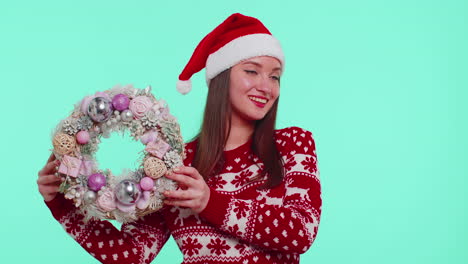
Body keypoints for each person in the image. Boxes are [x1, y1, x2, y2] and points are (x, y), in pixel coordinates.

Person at [37, 13, 321, 264]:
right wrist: (59, 203)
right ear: (222, 77)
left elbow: (301, 231)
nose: (266, 87)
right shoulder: (174, 162)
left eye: (275, 77)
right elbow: (133, 253)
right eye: (252, 71)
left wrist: (209, 203)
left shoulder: (292, 144)